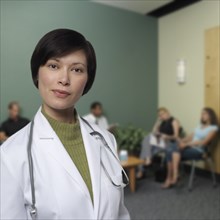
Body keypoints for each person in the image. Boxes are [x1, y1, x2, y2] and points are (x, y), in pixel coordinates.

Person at [0, 29, 130, 220]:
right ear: (37, 73)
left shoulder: (106, 140)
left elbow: (120, 214)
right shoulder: (10, 155)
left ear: (87, 81)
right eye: (53, 66)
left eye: (77, 70)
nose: (64, 79)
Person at [163, 107, 219, 189]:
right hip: (189, 147)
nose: (202, 115)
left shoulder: (214, 128)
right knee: (170, 149)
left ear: (210, 115)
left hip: (200, 151)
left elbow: (204, 142)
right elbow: (189, 137)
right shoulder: (200, 126)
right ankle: (171, 177)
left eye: (204, 114)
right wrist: (181, 140)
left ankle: (172, 177)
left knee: (172, 150)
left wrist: (187, 144)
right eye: (201, 114)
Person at [137, 107, 180, 179]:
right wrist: (157, 122)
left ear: (167, 112)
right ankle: (146, 161)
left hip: (169, 143)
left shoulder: (174, 121)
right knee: (147, 140)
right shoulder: (162, 122)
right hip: (160, 142)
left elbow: (176, 136)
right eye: (159, 115)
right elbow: (153, 132)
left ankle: (141, 170)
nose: (161, 116)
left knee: (146, 148)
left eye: (162, 114)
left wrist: (167, 136)